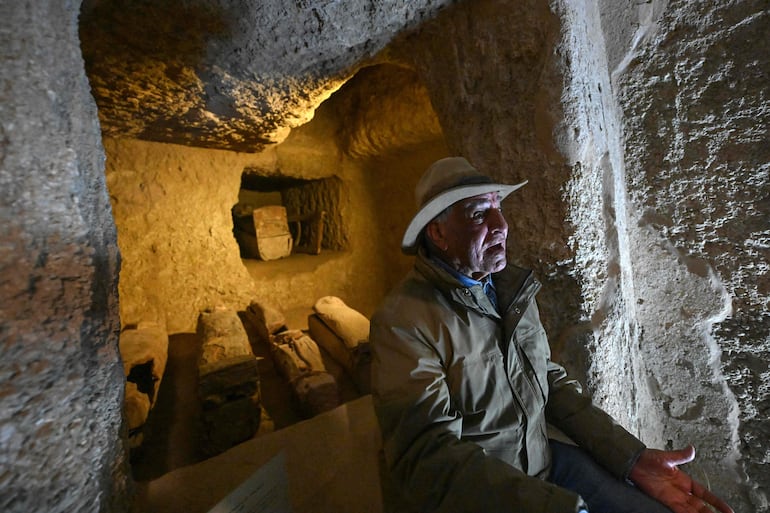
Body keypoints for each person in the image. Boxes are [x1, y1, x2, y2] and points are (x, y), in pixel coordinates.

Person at [369, 157, 733, 513]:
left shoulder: (509, 292)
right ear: (438, 233)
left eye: (499, 209)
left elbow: (546, 379)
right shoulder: (404, 321)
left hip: (543, 464)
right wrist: (548, 505)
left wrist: (631, 458)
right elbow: (427, 454)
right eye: (480, 214)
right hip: (486, 496)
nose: (501, 225)